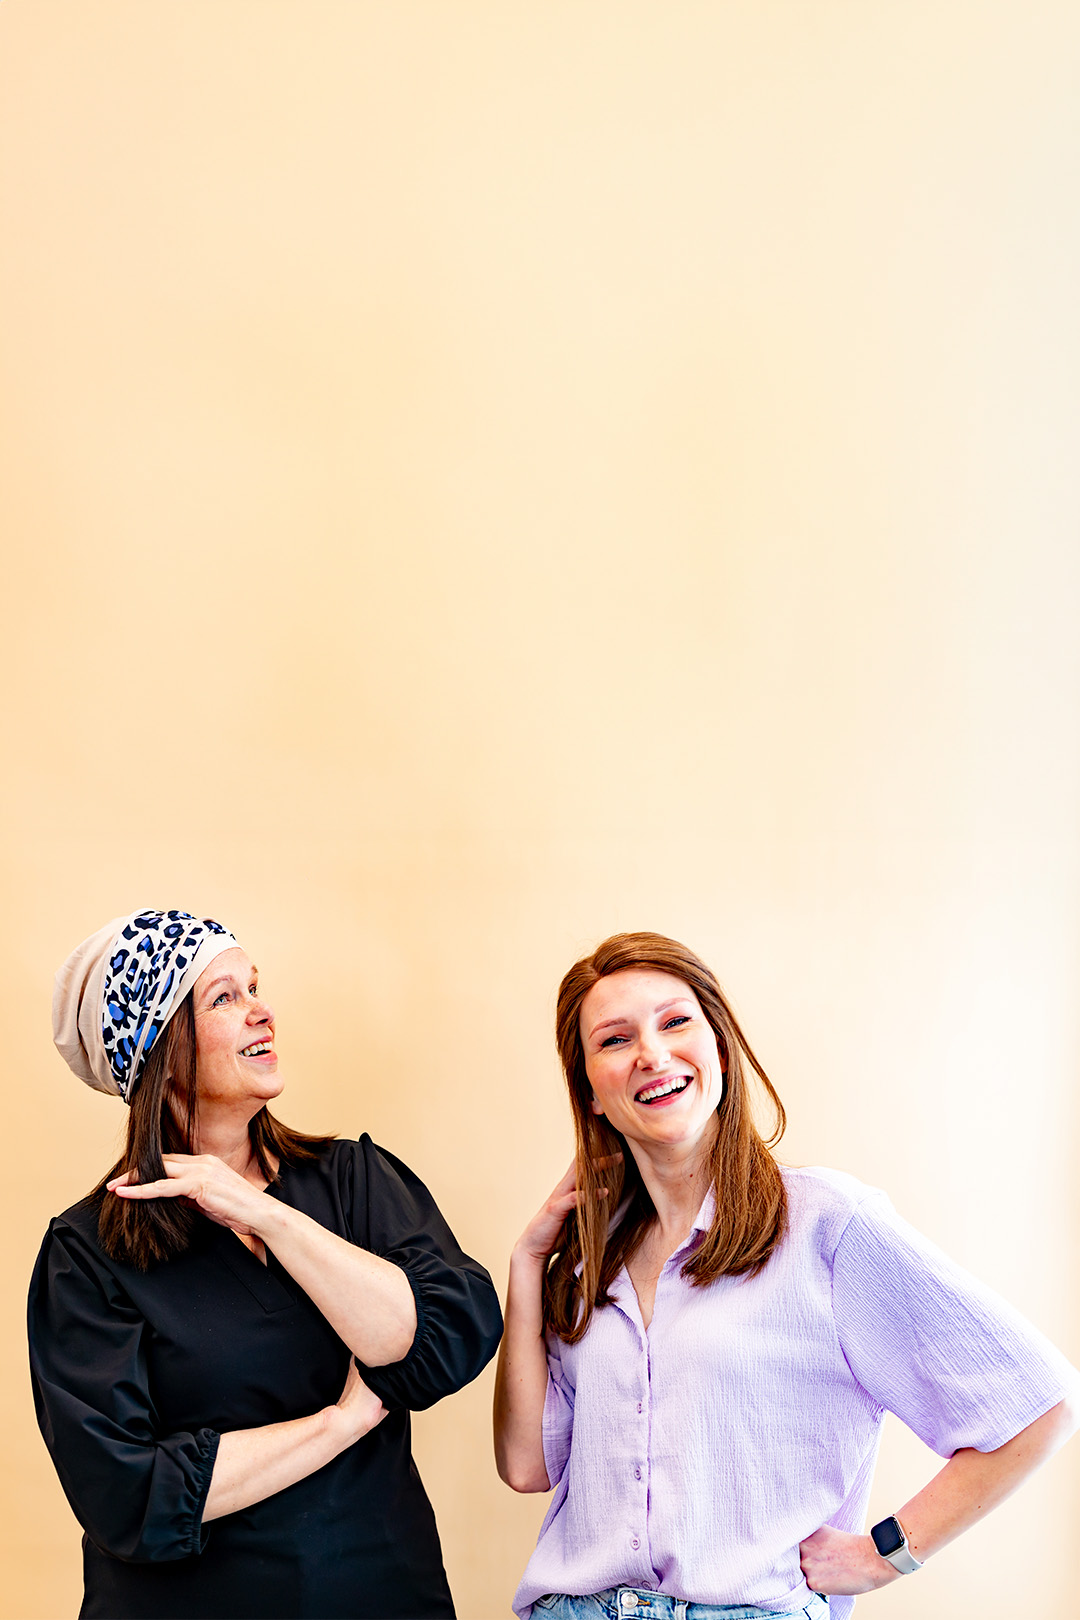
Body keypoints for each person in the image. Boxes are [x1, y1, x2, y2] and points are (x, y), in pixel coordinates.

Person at [494, 931, 1079, 1620]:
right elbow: (526, 1465)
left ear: (719, 1047)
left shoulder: (829, 1225)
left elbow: (1038, 1404)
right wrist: (526, 1265)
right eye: (615, 1040)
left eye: (675, 1022)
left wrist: (884, 1555)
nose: (651, 1054)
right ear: (591, 1091)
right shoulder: (588, 1261)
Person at [30, 907, 502, 1620]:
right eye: (224, 998)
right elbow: (129, 1495)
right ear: (158, 1050)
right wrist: (339, 1425)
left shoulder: (352, 1180)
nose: (262, 1011)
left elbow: (441, 1342)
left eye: (254, 987)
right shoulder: (89, 1252)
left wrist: (264, 1214)